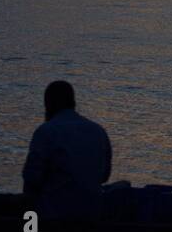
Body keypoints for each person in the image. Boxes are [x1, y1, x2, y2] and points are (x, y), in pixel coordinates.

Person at [20, 81, 112, 220]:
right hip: (93, 211)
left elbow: (32, 179)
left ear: (48, 105)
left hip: (54, 213)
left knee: (2, 202)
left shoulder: (46, 131)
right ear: (73, 102)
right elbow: (104, 176)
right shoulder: (98, 131)